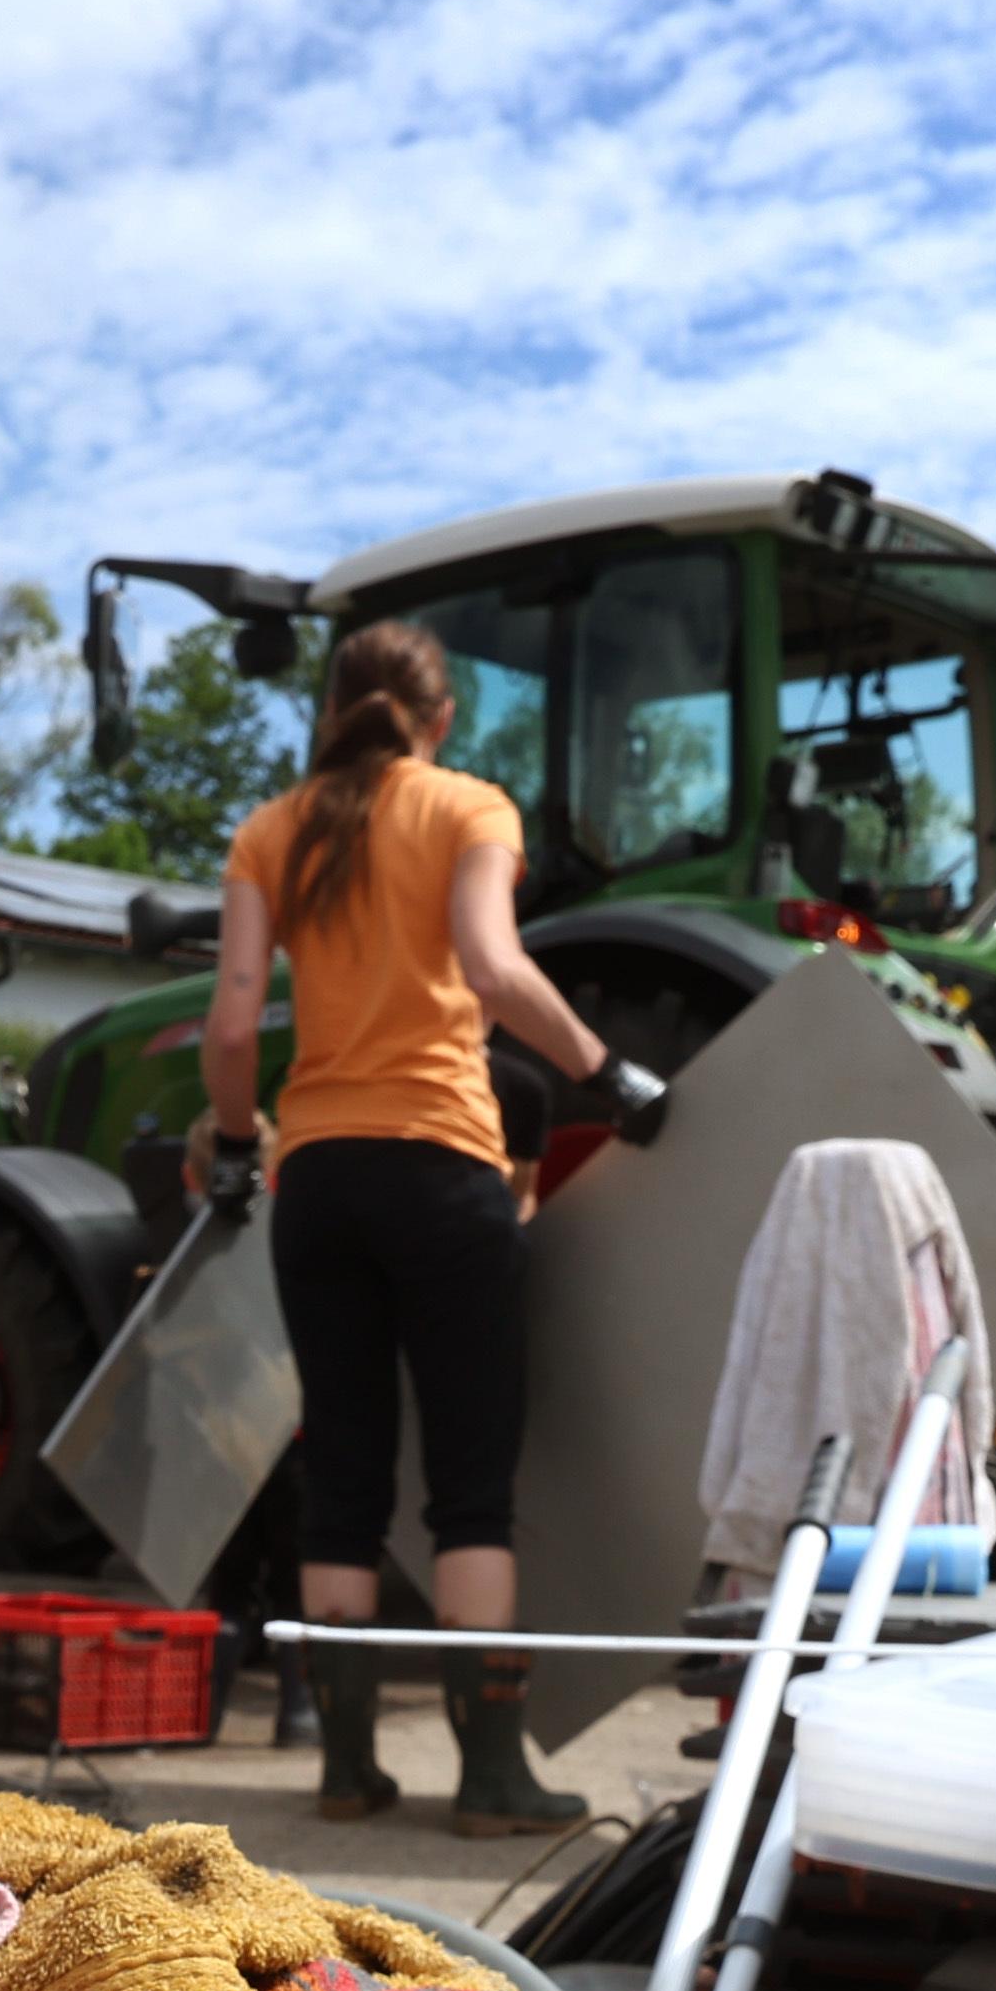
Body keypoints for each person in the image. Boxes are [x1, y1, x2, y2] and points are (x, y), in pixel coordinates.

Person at [200, 621, 666, 1833]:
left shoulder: (268, 828)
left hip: (321, 1181)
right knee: (470, 1490)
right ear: (440, 716)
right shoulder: (469, 806)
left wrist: (240, 1142)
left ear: (332, 709)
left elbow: (236, 1021)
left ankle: (347, 1771)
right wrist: (608, 1074)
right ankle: (494, 1781)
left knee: (343, 1473)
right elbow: (494, 968)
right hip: (443, 1169)